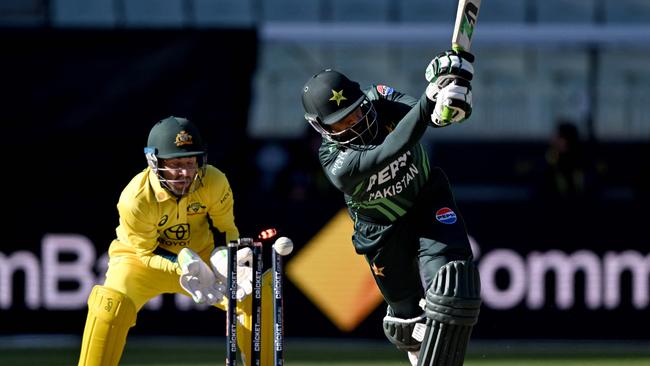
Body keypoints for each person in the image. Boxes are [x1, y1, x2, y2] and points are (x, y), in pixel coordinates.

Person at [301, 50, 481, 366]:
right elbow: (391, 147)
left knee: (453, 286)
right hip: (380, 230)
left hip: (426, 200)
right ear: (320, 127)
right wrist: (430, 100)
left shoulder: (380, 96)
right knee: (408, 326)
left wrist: (449, 95)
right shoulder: (335, 163)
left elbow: (425, 115)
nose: (355, 124)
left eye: (357, 112)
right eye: (342, 122)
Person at [77, 116, 274, 366]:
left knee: (255, 294)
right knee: (109, 306)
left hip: (202, 256)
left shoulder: (214, 181)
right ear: (154, 162)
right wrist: (182, 263)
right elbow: (146, 252)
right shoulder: (135, 199)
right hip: (138, 262)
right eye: (175, 164)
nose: (185, 173)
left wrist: (227, 257)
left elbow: (227, 229)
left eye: (191, 162)